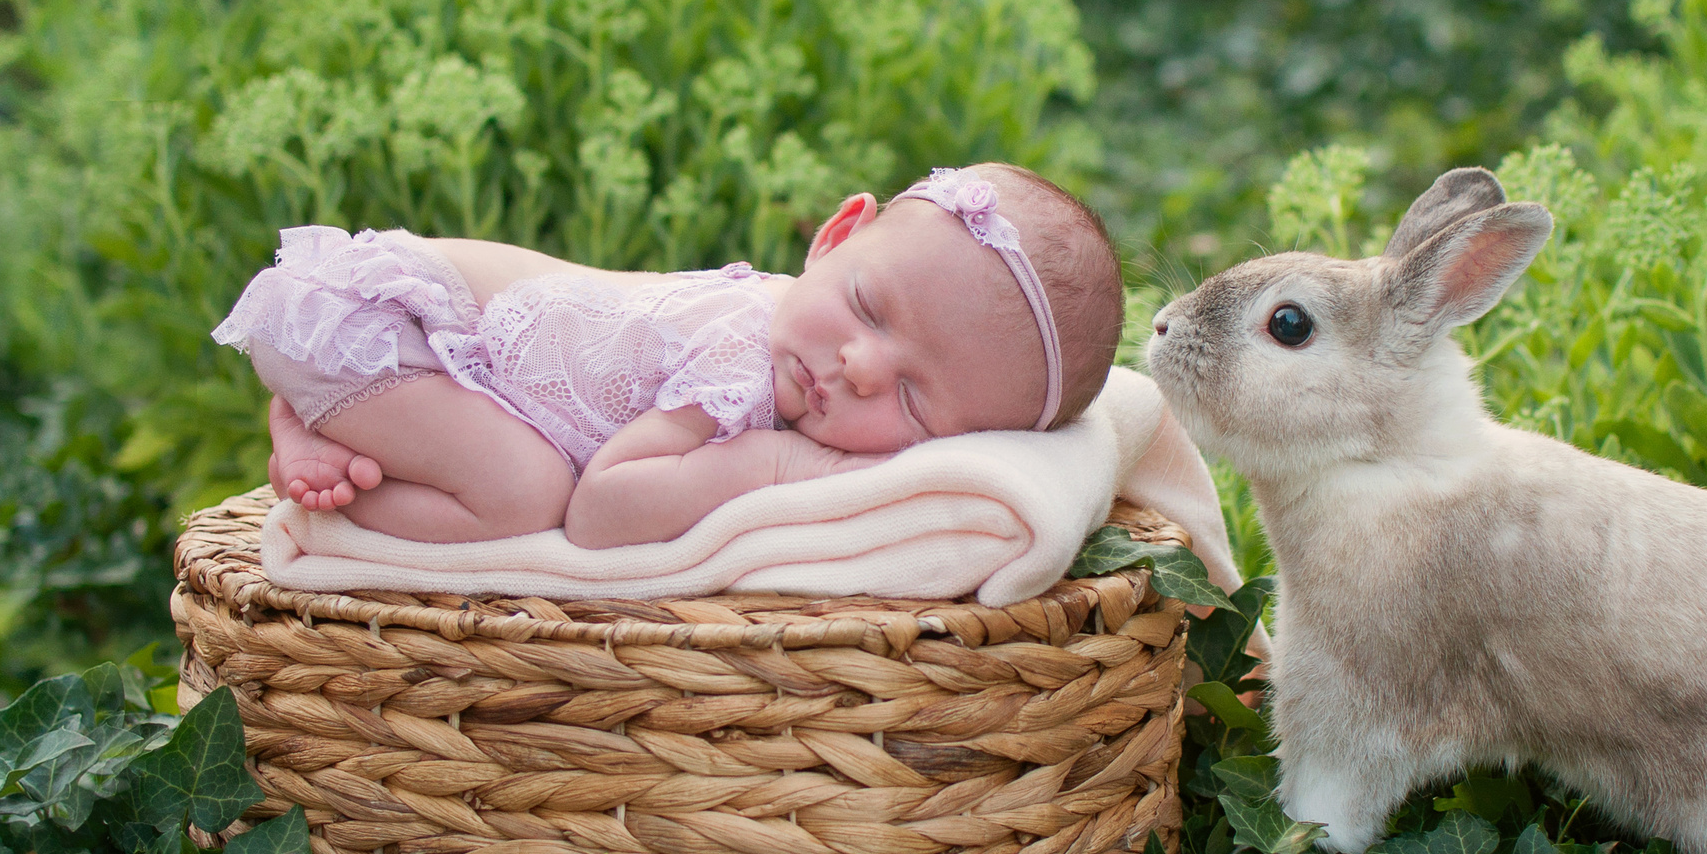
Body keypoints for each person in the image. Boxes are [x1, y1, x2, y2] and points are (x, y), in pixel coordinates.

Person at [212, 164, 1123, 549]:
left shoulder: (794, 326)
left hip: (430, 351)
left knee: (509, 464)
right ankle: (321, 448)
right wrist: (769, 461)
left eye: (916, 401)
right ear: (836, 236)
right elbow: (603, 513)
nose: (859, 367)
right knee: (528, 495)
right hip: (369, 322)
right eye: (867, 306)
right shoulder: (739, 358)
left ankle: (338, 414)